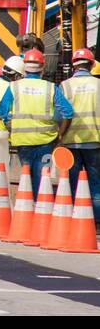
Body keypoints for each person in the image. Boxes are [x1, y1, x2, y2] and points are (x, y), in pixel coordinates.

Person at [0, 48, 72, 198]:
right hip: (46, 142)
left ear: (25, 69)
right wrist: (61, 136)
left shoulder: (14, 87)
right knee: (43, 180)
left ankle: (26, 210)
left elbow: (0, 112)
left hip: (23, 143)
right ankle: (40, 210)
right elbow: (68, 112)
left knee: (26, 179)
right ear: (42, 69)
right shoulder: (50, 88)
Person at [60, 48, 100, 213]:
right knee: (96, 183)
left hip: (71, 142)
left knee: (73, 184)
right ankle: (97, 222)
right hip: (95, 141)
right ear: (91, 65)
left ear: (74, 66)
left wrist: (59, 136)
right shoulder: (99, 84)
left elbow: (59, 114)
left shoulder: (65, 86)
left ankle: (76, 217)